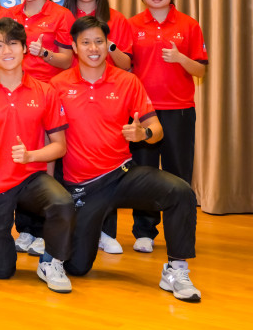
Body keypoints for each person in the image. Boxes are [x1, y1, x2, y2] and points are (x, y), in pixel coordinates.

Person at [52, 16, 200, 302]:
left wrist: (143, 133)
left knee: (180, 192)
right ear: (74, 47)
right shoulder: (57, 85)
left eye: (99, 41)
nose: (93, 48)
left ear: (108, 44)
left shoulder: (127, 81)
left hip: (121, 174)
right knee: (77, 267)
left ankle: (177, 269)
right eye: (85, 42)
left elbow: (157, 130)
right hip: (82, 186)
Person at [0, 17, 75, 293]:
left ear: (24, 48)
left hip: (30, 178)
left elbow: (60, 146)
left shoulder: (45, 91)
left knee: (62, 203)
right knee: (1, 271)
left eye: (13, 43)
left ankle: (51, 262)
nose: (7, 50)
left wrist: (31, 156)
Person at [127, 0, 207, 254]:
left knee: (178, 174)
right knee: (143, 173)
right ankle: (144, 232)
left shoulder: (189, 24)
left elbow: (201, 70)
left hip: (179, 110)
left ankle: (179, 233)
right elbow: (124, 65)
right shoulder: (132, 24)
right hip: (143, 111)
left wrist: (180, 58)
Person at [62, 0, 133, 254]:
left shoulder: (116, 18)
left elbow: (127, 64)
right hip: (68, 95)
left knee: (107, 156)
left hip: (106, 94)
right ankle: (68, 228)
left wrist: (108, 44)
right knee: (69, 159)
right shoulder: (63, 16)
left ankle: (106, 231)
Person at [7, 0, 74, 254]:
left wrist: (44, 53)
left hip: (46, 95)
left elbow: (68, 61)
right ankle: (24, 228)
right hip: (15, 96)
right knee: (20, 160)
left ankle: (45, 229)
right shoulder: (10, 15)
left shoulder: (61, 15)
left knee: (45, 164)